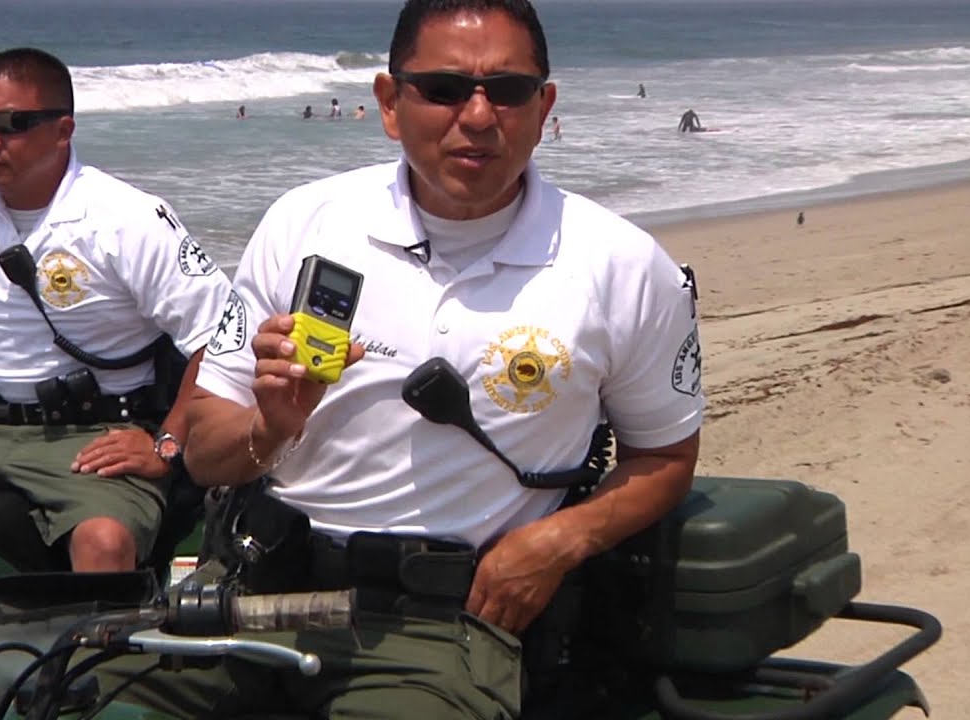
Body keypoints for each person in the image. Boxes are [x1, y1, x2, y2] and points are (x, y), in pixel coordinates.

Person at [103, 0, 702, 717]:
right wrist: (273, 427)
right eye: (444, 89)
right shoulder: (304, 223)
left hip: (441, 628)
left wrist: (558, 541)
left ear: (544, 108)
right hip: (256, 585)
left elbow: (663, 457)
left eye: (507, 91)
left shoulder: (623, 266)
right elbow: (204, 455)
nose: (478, 116)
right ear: (390, 103)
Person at [0, 47, 231, 573]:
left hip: (98, 438)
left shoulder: (127, 218)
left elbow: (222, 333)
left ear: (63, 131)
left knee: (102, 543)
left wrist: (167, 445)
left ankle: (100, 656)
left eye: (13, 123)